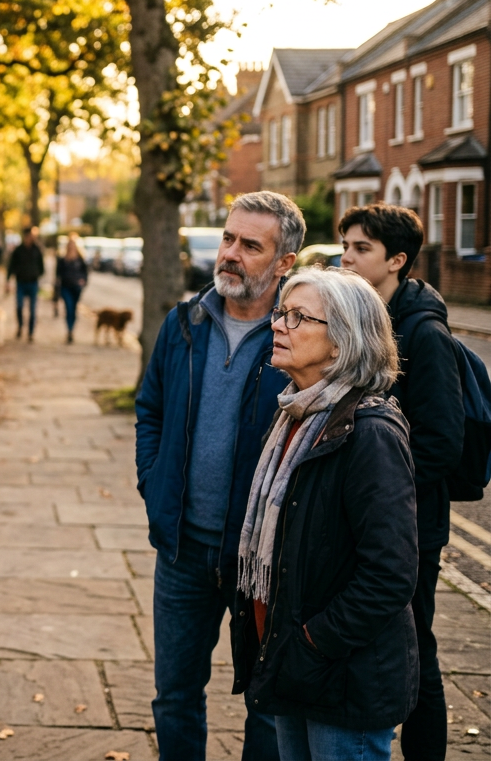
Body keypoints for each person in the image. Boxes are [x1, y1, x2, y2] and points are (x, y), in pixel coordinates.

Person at [136, 191, 306, 761]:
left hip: (264, 559)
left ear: (284, 263)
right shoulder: (184, 323)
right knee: (175, 694)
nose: (230, 253)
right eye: (228, 238)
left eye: (250, 246)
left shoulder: (302, 337)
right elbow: (150, 410)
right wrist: (152, 482)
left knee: (268, 703)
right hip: (182, 548)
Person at [231, 267, 419, 761]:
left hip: (341, 677)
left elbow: (390, 574)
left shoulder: (369, 432)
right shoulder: (296, 414)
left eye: (298, 318)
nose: (278, 325)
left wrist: (314, 642)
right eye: (281, 313)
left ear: (341, 342)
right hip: (293, 663)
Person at [338, 204, 460, 761]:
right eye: (346, 245)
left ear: (397, 260)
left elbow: (440, 442)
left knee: (416, 652)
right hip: (368, 520)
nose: (346, 256)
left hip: (410, 526)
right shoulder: (362, 318)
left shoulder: (424, 333)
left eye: (361, 248)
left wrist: (388, 496)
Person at [6, 226, 44, 341]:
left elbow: (42, 267)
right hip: (21, 283)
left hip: (33, 283)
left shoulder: (37, 250)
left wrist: (36, 274)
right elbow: (11, 266)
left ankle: (31, 332)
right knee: (19, 307)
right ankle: (20, 326)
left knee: (33, 310)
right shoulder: (18, 251)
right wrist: (8, 280)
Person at [53, 234, 89, 343]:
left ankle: (72, 329)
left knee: (73, 309)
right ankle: (69, 330)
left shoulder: (80, 259)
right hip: (65, 287)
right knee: (68, 308)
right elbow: (57, 274)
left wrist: (83, 281)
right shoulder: (63, 259)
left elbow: (85, 273)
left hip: (76, 287)